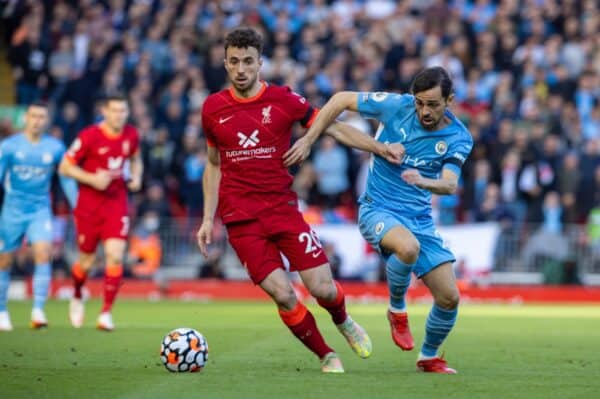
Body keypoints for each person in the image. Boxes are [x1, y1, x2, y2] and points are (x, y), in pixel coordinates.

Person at [197, 27, 403, 373]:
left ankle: (343, 320)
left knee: (322, 289)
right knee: (283, 293)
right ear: (225, 64)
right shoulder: (213, 109)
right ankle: (326, 355)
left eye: (248, 61)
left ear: (260, 63)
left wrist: (379, 148)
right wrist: (207, 218)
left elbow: (332, 126)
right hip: (241, 220)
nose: (242, 68)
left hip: (283, 211)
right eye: (235, 62)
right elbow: (213, 164)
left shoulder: (283, 100)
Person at [285, 67, 474, 374]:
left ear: (450, 100)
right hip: (377, 209)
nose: (424, 111)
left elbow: (450, 183)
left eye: (433, 105)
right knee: (407, 248)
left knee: (450, 297)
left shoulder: (458, 137)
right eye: (420, 103)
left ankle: (428, 357)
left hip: (420, 219)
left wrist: (423, 181)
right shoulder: (396, 106)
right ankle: (397, 309)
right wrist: (309, 139)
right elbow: (341, 99)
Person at [59, 94, 143, 331]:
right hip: (89, 205)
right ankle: (77, 293)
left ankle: (105, 313)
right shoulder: (89, 136)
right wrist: (91, 179)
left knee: (115, 255)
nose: (119, 115)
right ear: (104, 111)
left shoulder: (131, 135)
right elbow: (65, 166)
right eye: (115, 110)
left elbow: (137, 158)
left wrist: (137, 176)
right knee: (87, 261)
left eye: (123, 111)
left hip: (116, 203)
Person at [0, 102, 77, 331]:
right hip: (12, 209)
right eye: (33, 116)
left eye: (42, 117)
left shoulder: (54, 147)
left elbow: (66, 177)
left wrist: (78, 205)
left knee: (43, 253)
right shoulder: (10, 146)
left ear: (46, 120)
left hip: (40, 209)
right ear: (26, 119)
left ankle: (38, 310)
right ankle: (2, 311)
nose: (37, 120)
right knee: (4, 260)